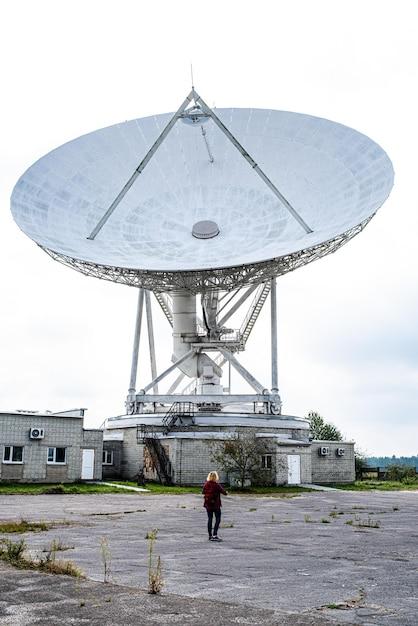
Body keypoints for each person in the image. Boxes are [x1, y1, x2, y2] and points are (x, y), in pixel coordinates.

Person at [202, 470, 227, 541]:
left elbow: (203, 492)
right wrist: (226, 492)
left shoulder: (206, 484)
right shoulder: (217, 485)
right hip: (216, 505)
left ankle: (210, 536)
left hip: (208, 505)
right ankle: (215, 534)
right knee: (218, 519)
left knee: (210, 519)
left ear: (209, 477)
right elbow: (224, 493)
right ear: (216, 477)